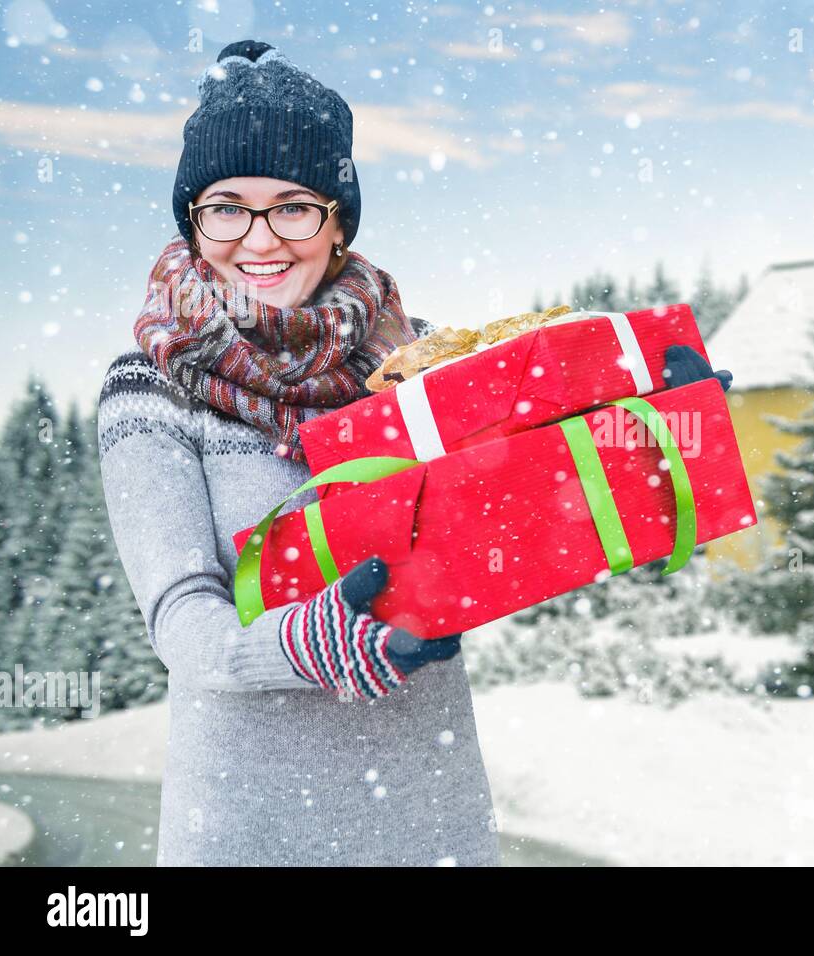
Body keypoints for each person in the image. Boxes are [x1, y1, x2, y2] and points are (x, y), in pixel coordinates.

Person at [98, 38, 730, 867]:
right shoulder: (153, 387)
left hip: (432, 828)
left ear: (337, 220)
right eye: (227, 206)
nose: (259, 239)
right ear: (193, 218)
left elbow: (538, 513)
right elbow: (183, 623)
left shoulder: (417, 366)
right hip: (252, 834)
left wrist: (661, 457)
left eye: (294, 205)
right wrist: (311, 641)